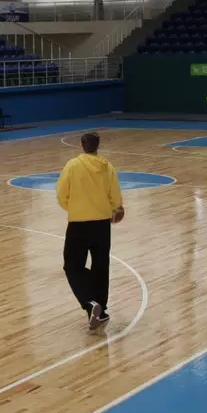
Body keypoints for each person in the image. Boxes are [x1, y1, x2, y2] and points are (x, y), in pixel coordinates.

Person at [56, 132, 124, 330]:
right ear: (98, 146)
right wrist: (115, 208)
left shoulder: (73, 165)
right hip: (102, 224)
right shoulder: (107, 167)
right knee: (101, 266)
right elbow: (115, 196)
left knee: (72, 266)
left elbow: (61, 194)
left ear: (81, 145)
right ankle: (100, 311)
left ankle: (89, 301)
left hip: (79, 223)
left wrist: (73, 207)